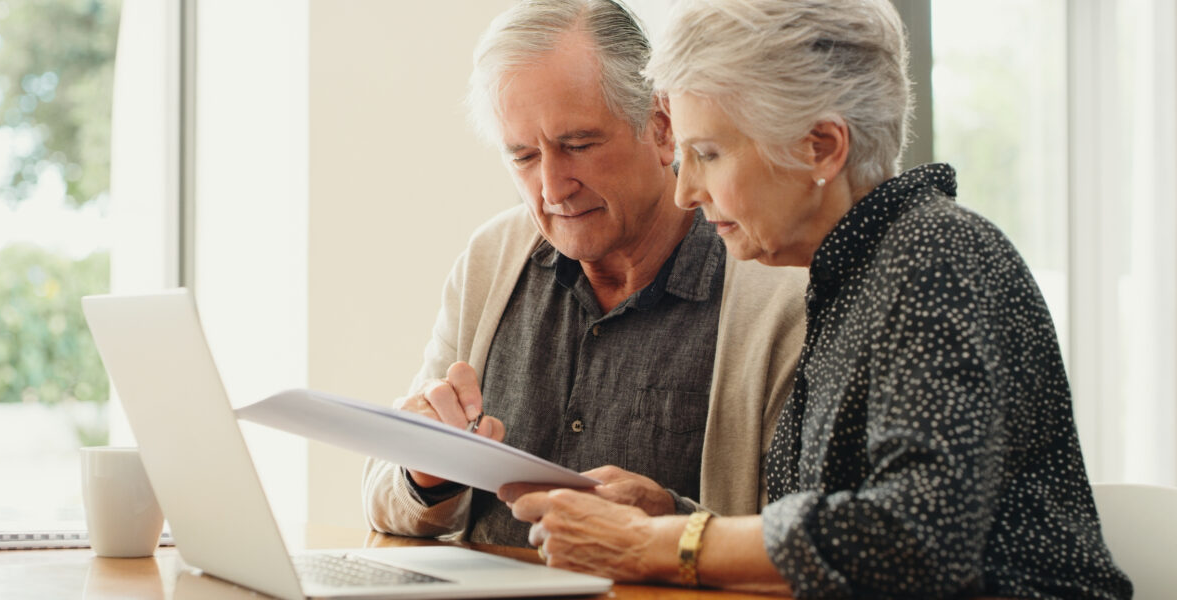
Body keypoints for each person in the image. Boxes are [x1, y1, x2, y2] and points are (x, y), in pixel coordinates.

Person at [502, 0, 1133, 597]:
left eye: (709, 154)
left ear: (821, 147)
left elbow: (915, 538)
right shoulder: (851, 276)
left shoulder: (938, 255)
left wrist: (659, 542)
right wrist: (672, 514)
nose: (684, 192)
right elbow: (823, 539)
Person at [361, 0, 807, 548]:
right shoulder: (492, 259)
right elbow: (383, 493)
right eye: (523, 157)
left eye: (578, 146)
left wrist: (672, 521)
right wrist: (426, 475)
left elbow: (806, 540)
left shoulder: (775, 293)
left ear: (662, 127)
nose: (552, 187)